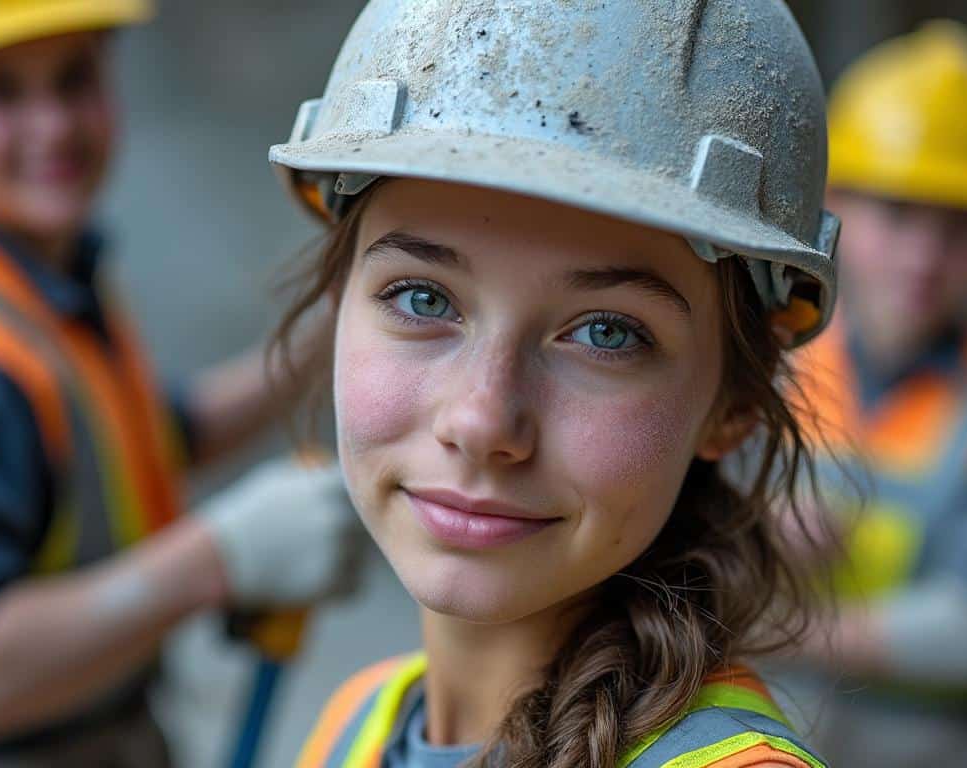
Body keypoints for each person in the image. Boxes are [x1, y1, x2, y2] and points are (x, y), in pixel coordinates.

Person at [264, 1, 843, 766]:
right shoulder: (355, 724)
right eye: (422, 299)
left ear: (735, 400)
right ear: (339, 312)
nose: (481, 420)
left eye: (607, 333)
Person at [0, 2, 362, 765]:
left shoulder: (15, 267)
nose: (54, 124)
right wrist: (221, 557)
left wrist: (325, 336)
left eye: (75, 78)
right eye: (0, 91)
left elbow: (134, 440)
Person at [783, 21, 967, 768]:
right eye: (900, 215)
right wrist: (756, 529)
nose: (924, 256)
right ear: (838, 203)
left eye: (961, 228)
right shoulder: (774, 370)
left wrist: (772, 621)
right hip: (786, 734)